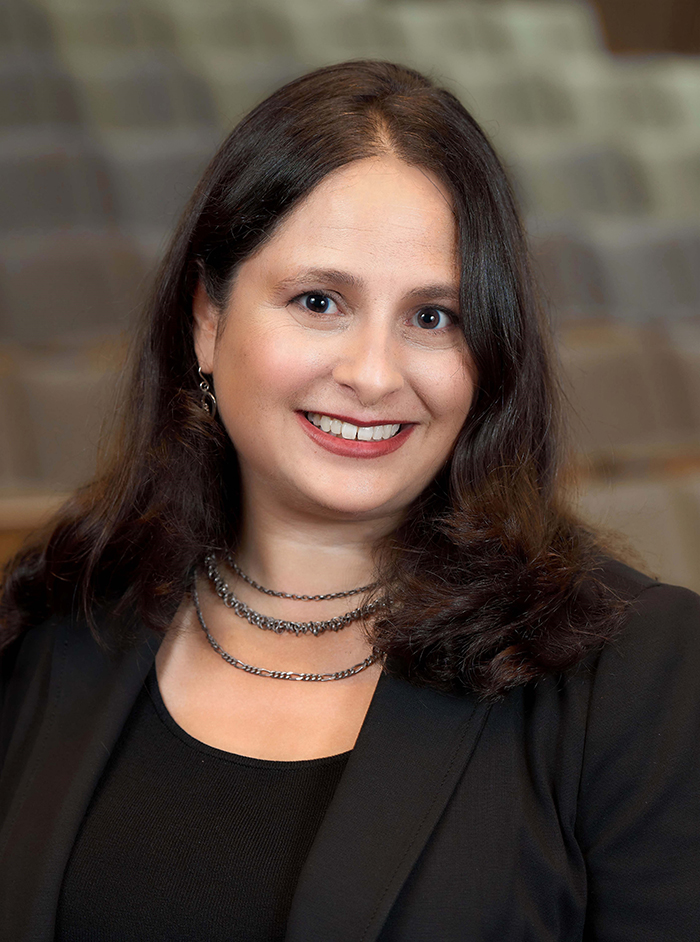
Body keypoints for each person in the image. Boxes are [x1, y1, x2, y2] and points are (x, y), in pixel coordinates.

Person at [0, 59, 698, 942]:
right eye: (319, 300)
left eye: (433, 317)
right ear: (206, 320)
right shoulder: (59, 622)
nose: (372, 374)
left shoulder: (636, 675)